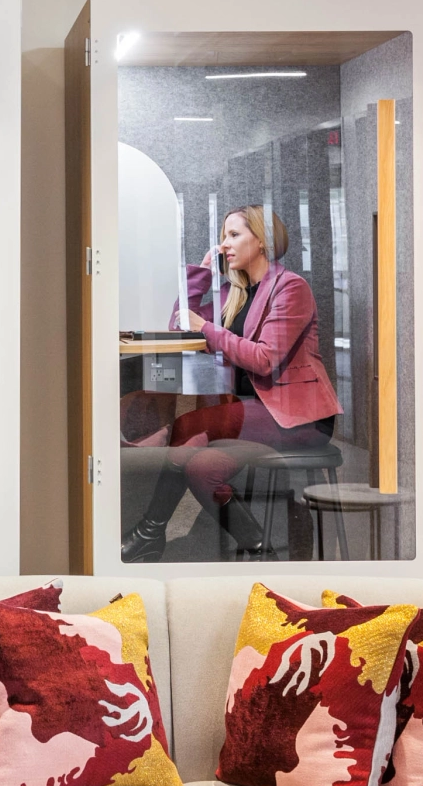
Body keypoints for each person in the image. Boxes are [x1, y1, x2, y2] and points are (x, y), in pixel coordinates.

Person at [120, 205, 342, 563]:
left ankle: (148, 533)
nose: (225, 244)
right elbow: (181, 324)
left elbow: (265, 358)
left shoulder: (290, 288)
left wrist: (208, 328)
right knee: (200, 469)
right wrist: (203, 272)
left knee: (186, 427)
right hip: (253, 414)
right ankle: (262, 552)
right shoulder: (235, 293)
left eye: (234, 235)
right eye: (223, 236)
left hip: (297, 418)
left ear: (263, 241)